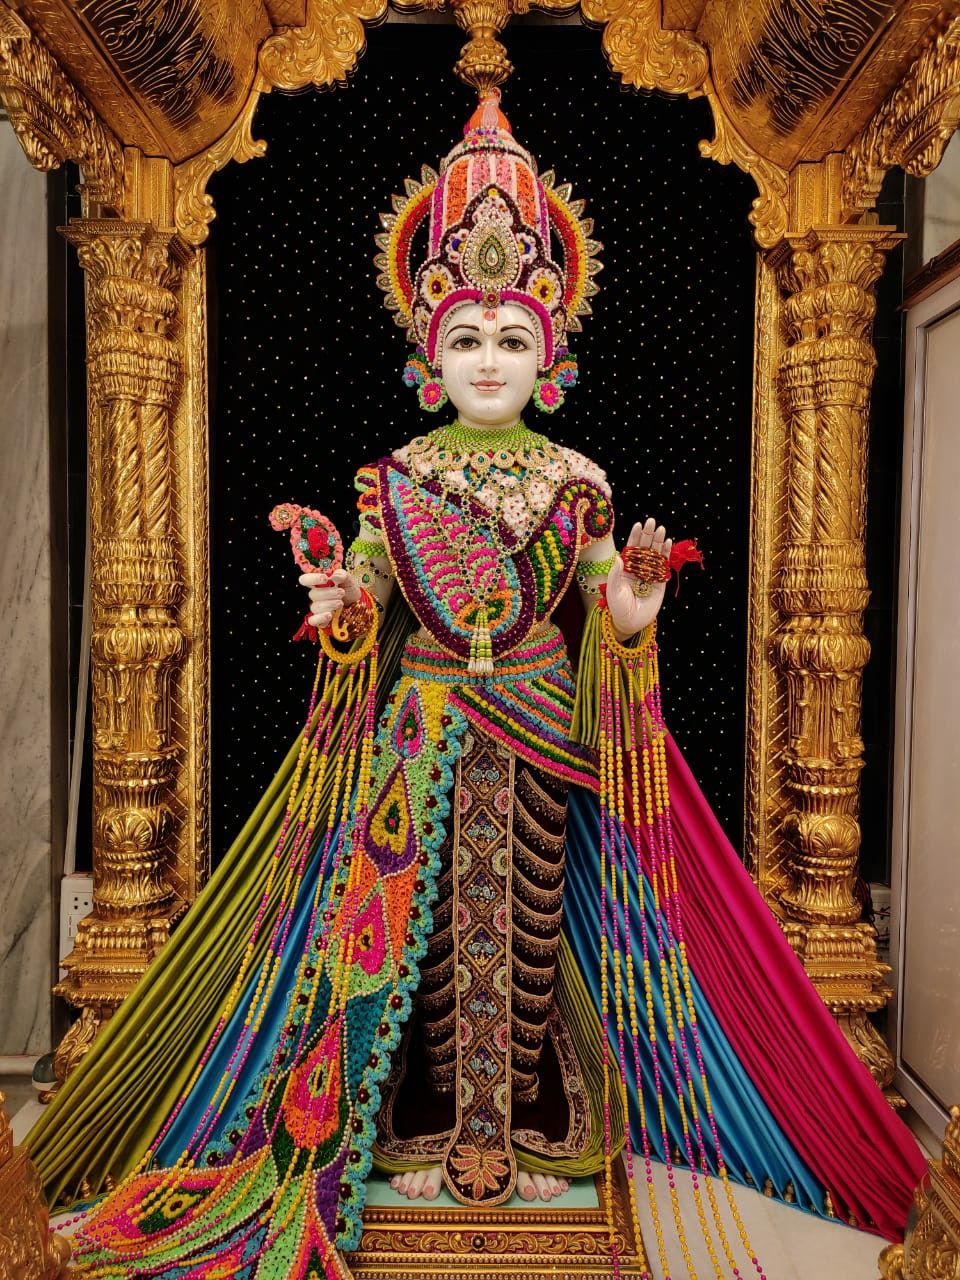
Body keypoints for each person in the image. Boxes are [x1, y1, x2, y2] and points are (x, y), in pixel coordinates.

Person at [28, 92, 924, 1280]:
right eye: (466, 337)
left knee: (534, 925)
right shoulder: (394, 476)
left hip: (548, 721)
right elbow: (360, 603)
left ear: (552, 346)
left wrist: (639, 612)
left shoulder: (577, 474)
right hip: (419, 726)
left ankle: (518, 1136)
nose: (489, 360)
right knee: (421, 930)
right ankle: (430, 1128)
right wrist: (338, 613)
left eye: (511, 337)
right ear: (425, 349)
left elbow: (608, 604)